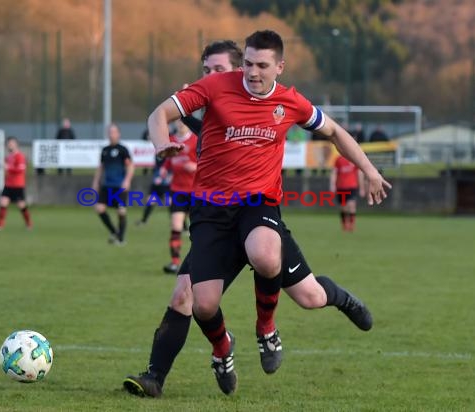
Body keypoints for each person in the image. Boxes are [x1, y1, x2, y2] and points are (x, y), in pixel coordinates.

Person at [130, 31, 390, 396]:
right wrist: (161, 145)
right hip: (212, 214)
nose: (253, 72)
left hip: (257, 208)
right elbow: (160, 113)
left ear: (279, 68)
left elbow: (333, 131)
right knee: (198, 304)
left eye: (261, 65)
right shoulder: (215, 89)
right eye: (249, 64)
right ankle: (216, 353)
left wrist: (370, 169)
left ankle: (271, 327)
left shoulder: (290, 102)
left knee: (302, 289)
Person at [161, 119, 198, 274]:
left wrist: (196, 167)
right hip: (178, 190)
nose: (180, 124)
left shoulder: (196, 139)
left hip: (196, 191)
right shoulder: (172, 140)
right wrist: (164, 169)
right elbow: (169, 160)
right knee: (176, 227)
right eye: (177, 121)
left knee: (198, 230)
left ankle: (200, 263)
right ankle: (175, 263)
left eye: (183, 121)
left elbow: (209, 161)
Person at [92, 123, 135, 245]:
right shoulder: (105, 150)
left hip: (120, 186)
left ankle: (121, 239)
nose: (112, 134)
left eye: (114, 132)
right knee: (99, 208)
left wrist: (127, 180)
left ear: (118, 134)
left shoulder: (123, 150)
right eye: (110, 132)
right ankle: (114, 232)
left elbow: (131, 166)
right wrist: (96, 181)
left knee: (121, 211)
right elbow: (101, 167)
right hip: (107, 185)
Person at [0, 137, 32, 231]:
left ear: (16, 144)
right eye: (8, 143)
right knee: (3, 202)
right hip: (8, 184)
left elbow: (21, 169)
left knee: (21, 205)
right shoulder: (9, 157)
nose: (9, 145)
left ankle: (28, 223)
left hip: (18, 185)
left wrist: (8, 167)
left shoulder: (20, 156)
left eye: (11, 143)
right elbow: (5, 166)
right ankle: (0, 224)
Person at [330, 154, 365, 232]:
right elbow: (334, 173)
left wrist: (362, 188)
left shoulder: (354, 158)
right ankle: (344, 224)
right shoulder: (338, 159)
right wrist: (332, 185)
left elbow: (359, 173)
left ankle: (352, 224)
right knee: (343, 207)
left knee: (351, 205)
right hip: (341, 187)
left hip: (352, 186)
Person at [136, 155, 171, 226]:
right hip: (156, 185)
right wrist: (146, 170)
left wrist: (163, 179)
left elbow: (170, 169)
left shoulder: (168, 157)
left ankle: (183, 226)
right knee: (150, 202)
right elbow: (155, 168)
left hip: (165, 185)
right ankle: (143, 221)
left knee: (172, 204)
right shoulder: (157, 156)